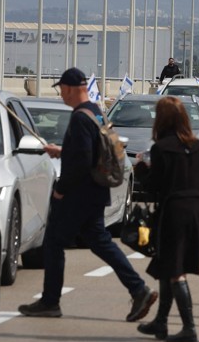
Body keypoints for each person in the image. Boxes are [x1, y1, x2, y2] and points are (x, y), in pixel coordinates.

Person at [18, 68, 157, 321]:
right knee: (100, 242)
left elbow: (81, 161)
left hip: (79, 195)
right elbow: (90, 152)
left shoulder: (80, 118)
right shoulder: (95, 110)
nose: (61, 95)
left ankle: (50, 302)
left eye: (61, 90)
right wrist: (62, 151)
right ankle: (139, 290)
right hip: (95, 191)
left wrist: (60, 191)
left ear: (71, 88)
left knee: (53, 243)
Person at [133, 96, 199, 342]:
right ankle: (160, 322)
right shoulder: (197, 146)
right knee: (167, 265)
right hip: (197, 211)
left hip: (174, 212)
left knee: (176, 270)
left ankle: (189, 328)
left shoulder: (162, 148)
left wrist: (141, 168)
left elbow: (154, 186)